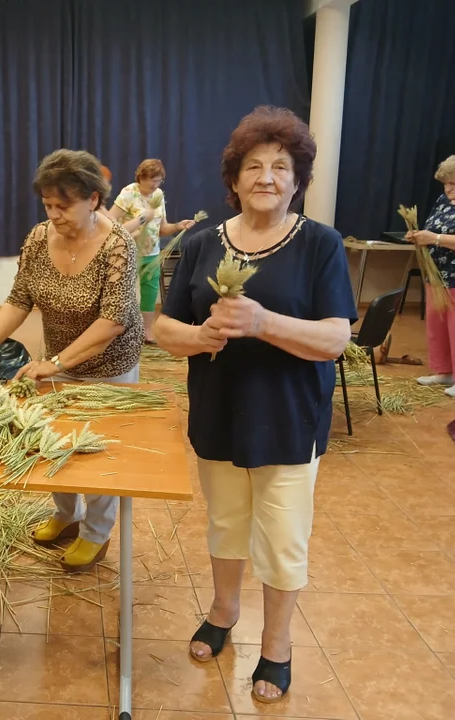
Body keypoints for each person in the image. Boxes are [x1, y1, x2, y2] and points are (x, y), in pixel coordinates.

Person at [154, 106, 355, 704]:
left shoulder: (319, 244)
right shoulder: (201, 244)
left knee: (283, 537)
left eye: (281, 167)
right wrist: (201, 336)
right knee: (225, 522)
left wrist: (264, 322)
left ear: (298, 180)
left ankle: (277, 642)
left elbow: (335, 339)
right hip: (218, 411)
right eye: (253, 166)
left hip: (288, 418)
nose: (267, 176)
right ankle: (223, 609)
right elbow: (163, 328)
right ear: (234, 179)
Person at [0, 149, 143, 572]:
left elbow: (112, 322)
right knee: (53, 439)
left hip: (107, 367)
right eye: (48, 205)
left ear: (93, 199)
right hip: (56, 360)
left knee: (96, 451)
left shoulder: (118, 246)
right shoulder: (39, 238)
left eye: (64, 206)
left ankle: (96, 532)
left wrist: (57, 363)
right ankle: (66, 514)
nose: (54, 215)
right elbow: (19, 299)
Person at [109, 159, 197, 343]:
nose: (155, 185)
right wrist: (140, 222)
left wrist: (178, 226)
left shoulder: (158, 195)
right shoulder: (129, 193)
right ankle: (120, 332)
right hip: (128, 253)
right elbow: (110, 223)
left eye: (159, 181)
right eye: (152, 180)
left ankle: (146, 332)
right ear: (141, 178)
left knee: (149, 294)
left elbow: (162, 228)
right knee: (123, 293)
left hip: (152, 254)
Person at [410, 155, 455, 396]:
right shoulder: (443, 201)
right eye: (446, 183)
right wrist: (420, 236)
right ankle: (443, 371)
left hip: (454, 275)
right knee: (437, 324)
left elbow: (438, 236)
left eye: (453, 184)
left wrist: (435, 238)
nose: (448, 189)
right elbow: (432, 228)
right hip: (436, 274)